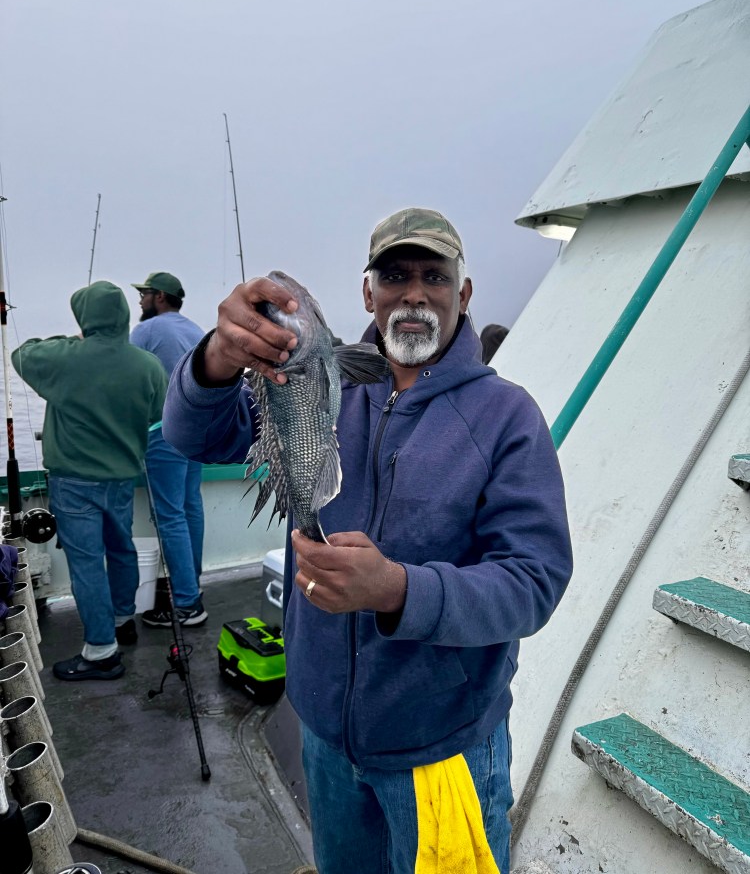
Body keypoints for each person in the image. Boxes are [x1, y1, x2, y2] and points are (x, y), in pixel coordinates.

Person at [162, 208, 573, 873]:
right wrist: (217, 358)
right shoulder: (322, 379)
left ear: (462, 295)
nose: (413, 293)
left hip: (442, 749)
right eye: (394, 275)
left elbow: (534, 581)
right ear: (367, 294)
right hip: (325, 739)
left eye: (433, 277)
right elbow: (192, 436)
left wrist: (398, 590)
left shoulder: (508, 416)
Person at [11, 281, 167, 680]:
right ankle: (121, 619)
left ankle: (101, 652)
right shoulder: (147, 365)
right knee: (121, 550)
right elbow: (156, 414)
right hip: (120, 478)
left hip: (75, 481)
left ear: (85, 316)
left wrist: (76, 338)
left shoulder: (67, 358)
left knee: (86, 565)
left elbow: (22, 354)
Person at [130, 272, 207, 627]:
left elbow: (126, 376)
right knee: (190, 506)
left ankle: (188, 604)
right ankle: (193, 586)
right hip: (199, 432)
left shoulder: (147, 331)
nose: (141, 300)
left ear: (160, 297)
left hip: (164, 432)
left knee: (171, 515)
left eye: (144, 293)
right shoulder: (196, 330)